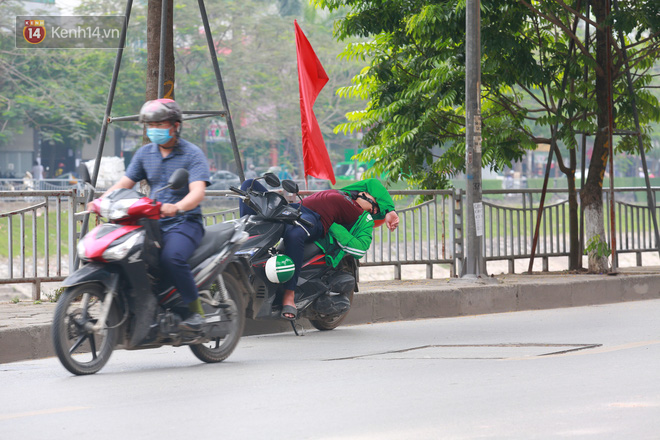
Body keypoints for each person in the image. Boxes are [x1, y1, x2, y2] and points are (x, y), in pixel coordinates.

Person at [96, 98, 211, 331]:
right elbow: (123, 184)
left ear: (176, 125)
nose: (155, 130)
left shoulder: (192, 154)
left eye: (161, 124)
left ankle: (196, 312)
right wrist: (100, 201)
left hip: (184, 222)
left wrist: (177, 207)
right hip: (151, 222)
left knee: (171, 258)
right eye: (151, 125)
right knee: (130, 256)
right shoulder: (144, 154)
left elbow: (197, 193)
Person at [239, 178, 399, 320]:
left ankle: (289, 295)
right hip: (293, 208)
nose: (366, 195)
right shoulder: (348, 192)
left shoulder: (364, 219)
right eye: (366, 194)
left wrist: (389, 212)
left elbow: (360, 248)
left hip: (312, 218)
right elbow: (373, 183)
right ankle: (244, 260)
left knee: (294, 236)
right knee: (248, 186)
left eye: (374, 208)